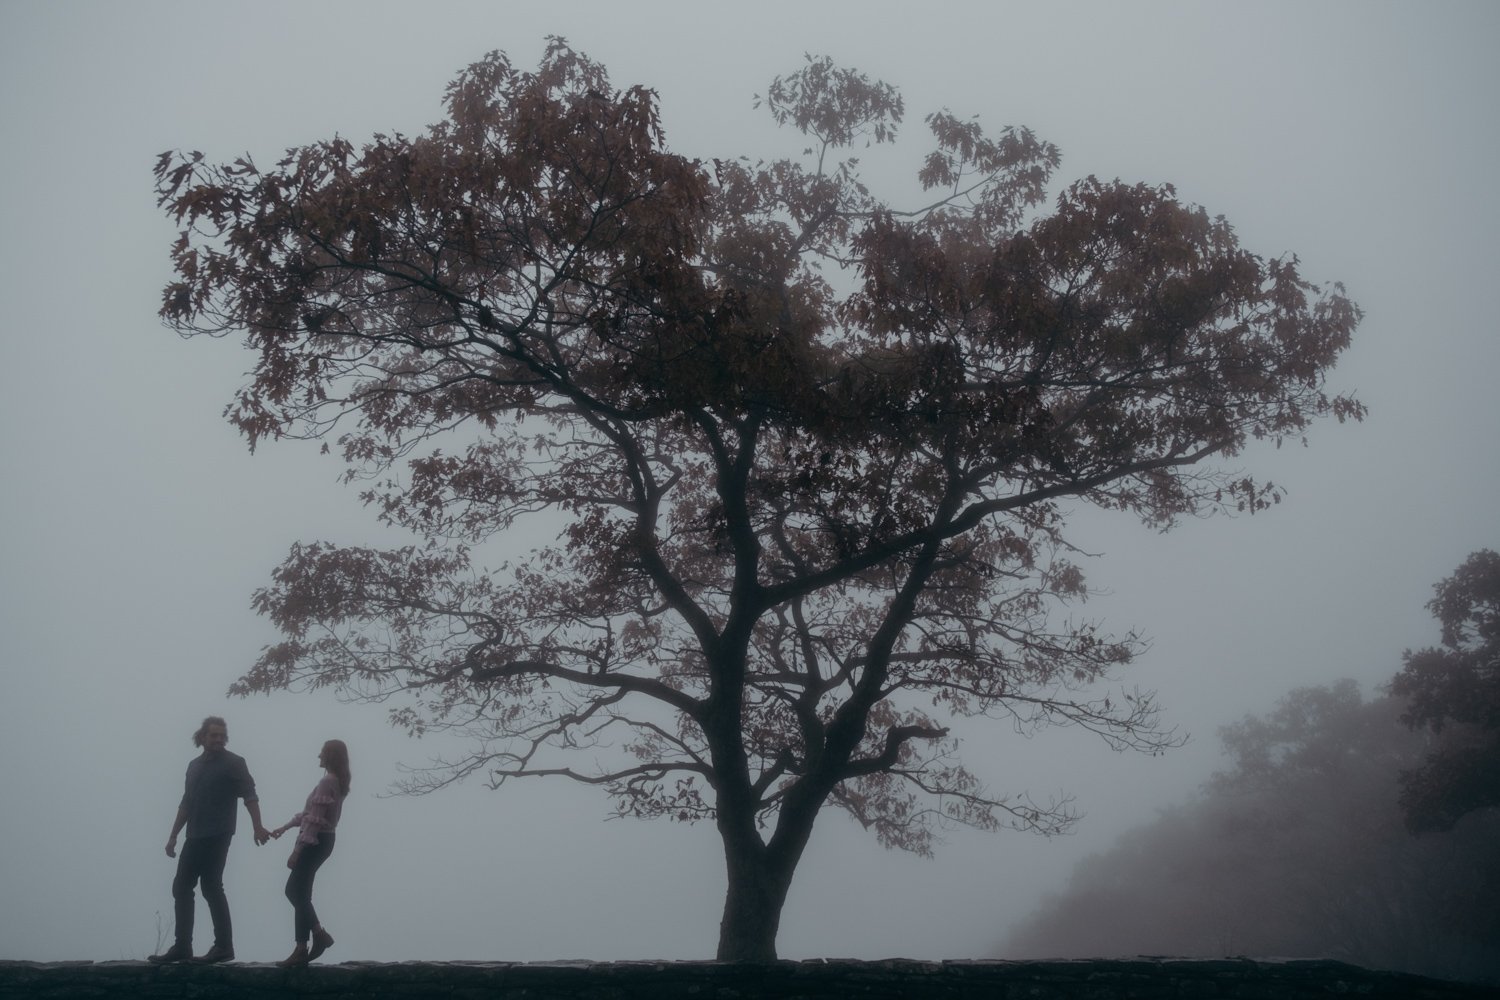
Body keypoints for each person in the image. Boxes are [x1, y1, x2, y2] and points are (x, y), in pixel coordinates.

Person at [149, 716, 270, 964]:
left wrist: (257, 826)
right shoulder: (194, 766)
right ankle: (182, 946)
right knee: (181, 886)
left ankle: (224, 946)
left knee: (211, 886)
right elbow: (186, 803)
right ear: (202, 737)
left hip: (219, 833)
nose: (218, 739)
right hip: (194, 834)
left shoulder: (234, 763)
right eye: (213, 735)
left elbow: (250, 795)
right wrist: (172, 835)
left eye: (222, 735)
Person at [270, 739, 350, 966]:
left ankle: (317, 936)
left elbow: (314, 821)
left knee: (293, 891)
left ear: (330, 756)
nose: (319, 756)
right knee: (301, 893)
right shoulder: (338, 782)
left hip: (315, 841)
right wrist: (284, 827)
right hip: (326, 840)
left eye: (322, 752)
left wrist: (297, 851)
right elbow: (309, 813)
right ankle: (302, 947)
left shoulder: (327, 782)